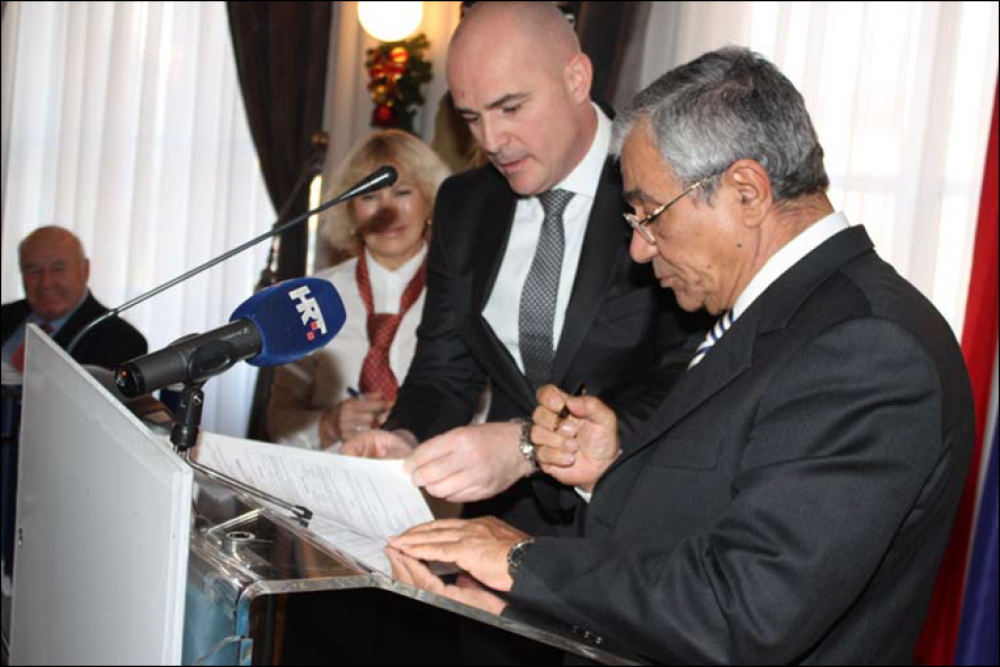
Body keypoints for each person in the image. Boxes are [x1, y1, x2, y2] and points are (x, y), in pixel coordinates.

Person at [385, 47, 976, 665]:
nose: (640, 249)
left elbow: (745, 609)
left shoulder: (868, 347)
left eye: (650, 214)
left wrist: (520, 561)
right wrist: (612, 474)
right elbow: (717, 520)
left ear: (746, 192)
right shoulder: (784, 317)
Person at [343, 0, 703, 530]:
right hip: (501, 519)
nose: (490, 141)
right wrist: (405, 437)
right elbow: (444, 370)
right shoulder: (464, 204)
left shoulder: (661, 185)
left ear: (576, 79)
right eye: (472, 117)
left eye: (510, 108)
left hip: (634, 516)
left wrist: (531, 446)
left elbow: (688, 380)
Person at [266, 129, 452, 450]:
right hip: (328, 478)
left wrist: (423, 427)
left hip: (431, 478)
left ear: (430, 201)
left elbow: (483, 415)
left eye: (402, 192)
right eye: (369, 196)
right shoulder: (311, 298)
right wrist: (328, 425)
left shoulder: (460, 294)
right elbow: (277, 423)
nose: (386, 209)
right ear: (350, 211)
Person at [1, 226, 147, 371]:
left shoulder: (121, 340)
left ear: (85, 270)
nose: (46, 283)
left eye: (58, 269)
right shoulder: (5, 315)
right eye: (33, 270)